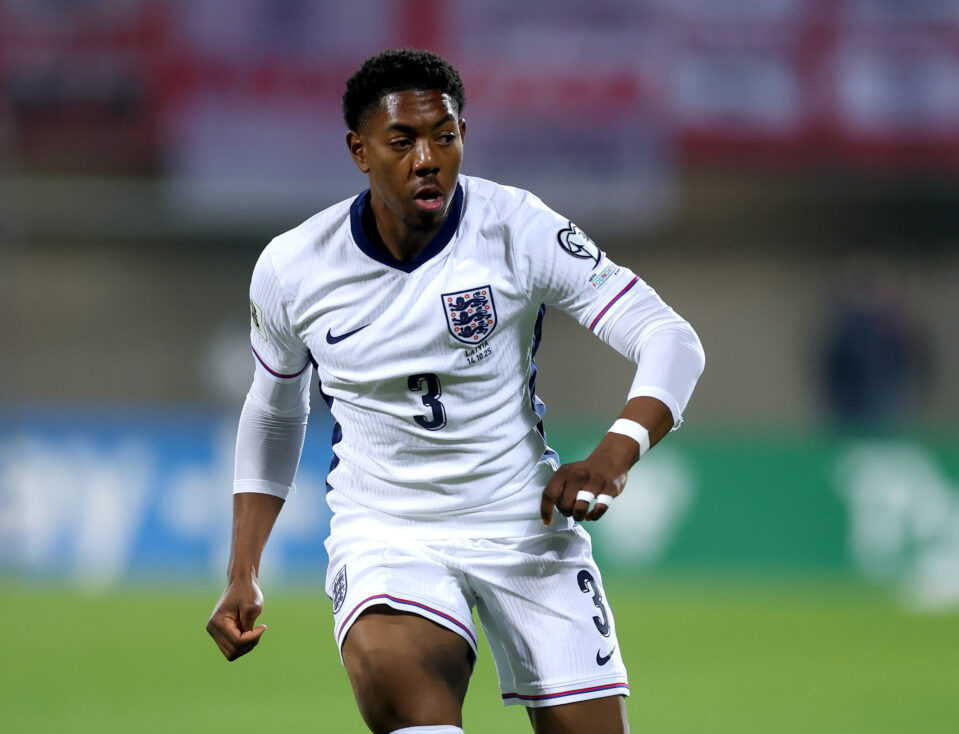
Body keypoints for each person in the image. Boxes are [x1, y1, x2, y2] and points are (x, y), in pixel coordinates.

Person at [206, 48, 705, 734]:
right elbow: (274, 408)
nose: (428, 158)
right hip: (388, 534)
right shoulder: (295, 268)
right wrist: (243, 569)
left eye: (445, 135)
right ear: (360, 150)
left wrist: (615, 454)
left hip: (524, 528)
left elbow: (669, 338)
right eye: (402, 141)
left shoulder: (519, 230)